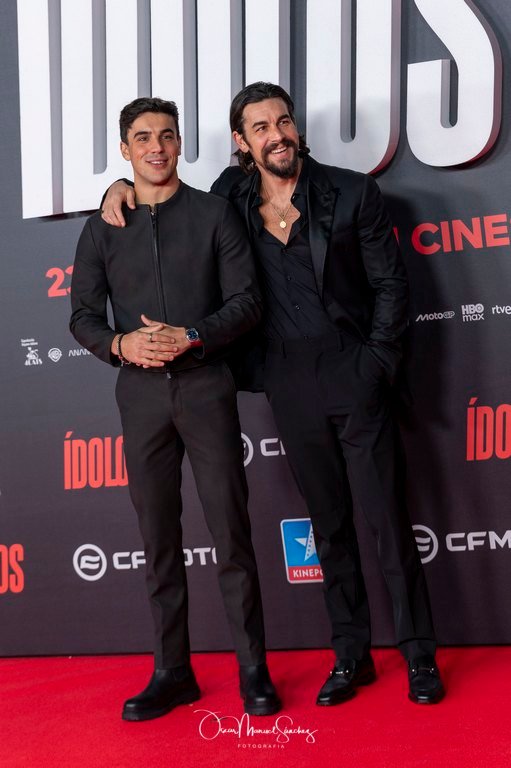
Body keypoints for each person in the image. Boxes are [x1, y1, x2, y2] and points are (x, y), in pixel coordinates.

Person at [100, 83, 445, 706]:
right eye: (260, 127)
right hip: (288, 380)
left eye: (283, 122)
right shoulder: (230, 199)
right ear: (242, 142)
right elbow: (165, 194)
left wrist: (375, 365)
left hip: (354, 370)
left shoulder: (350, 192)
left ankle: (419, 654)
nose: (277, 135)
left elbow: (391, 288)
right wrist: (117, 187)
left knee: (387, 521)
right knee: (329, 526)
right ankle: (351, 656)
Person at [70, 96, 280, 722]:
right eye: (143, 138)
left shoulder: (215, 214)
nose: (156, 147)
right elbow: (82, 316)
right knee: (158, 539)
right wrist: (121, 345)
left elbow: (247, 302)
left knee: (231, 534)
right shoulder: (103, 226)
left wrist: (191, 336)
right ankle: (172, 671)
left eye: (166, 135)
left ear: (180, 143)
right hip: (140, 397)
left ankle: (253, 668)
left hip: (206, 385)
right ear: (125, 150)